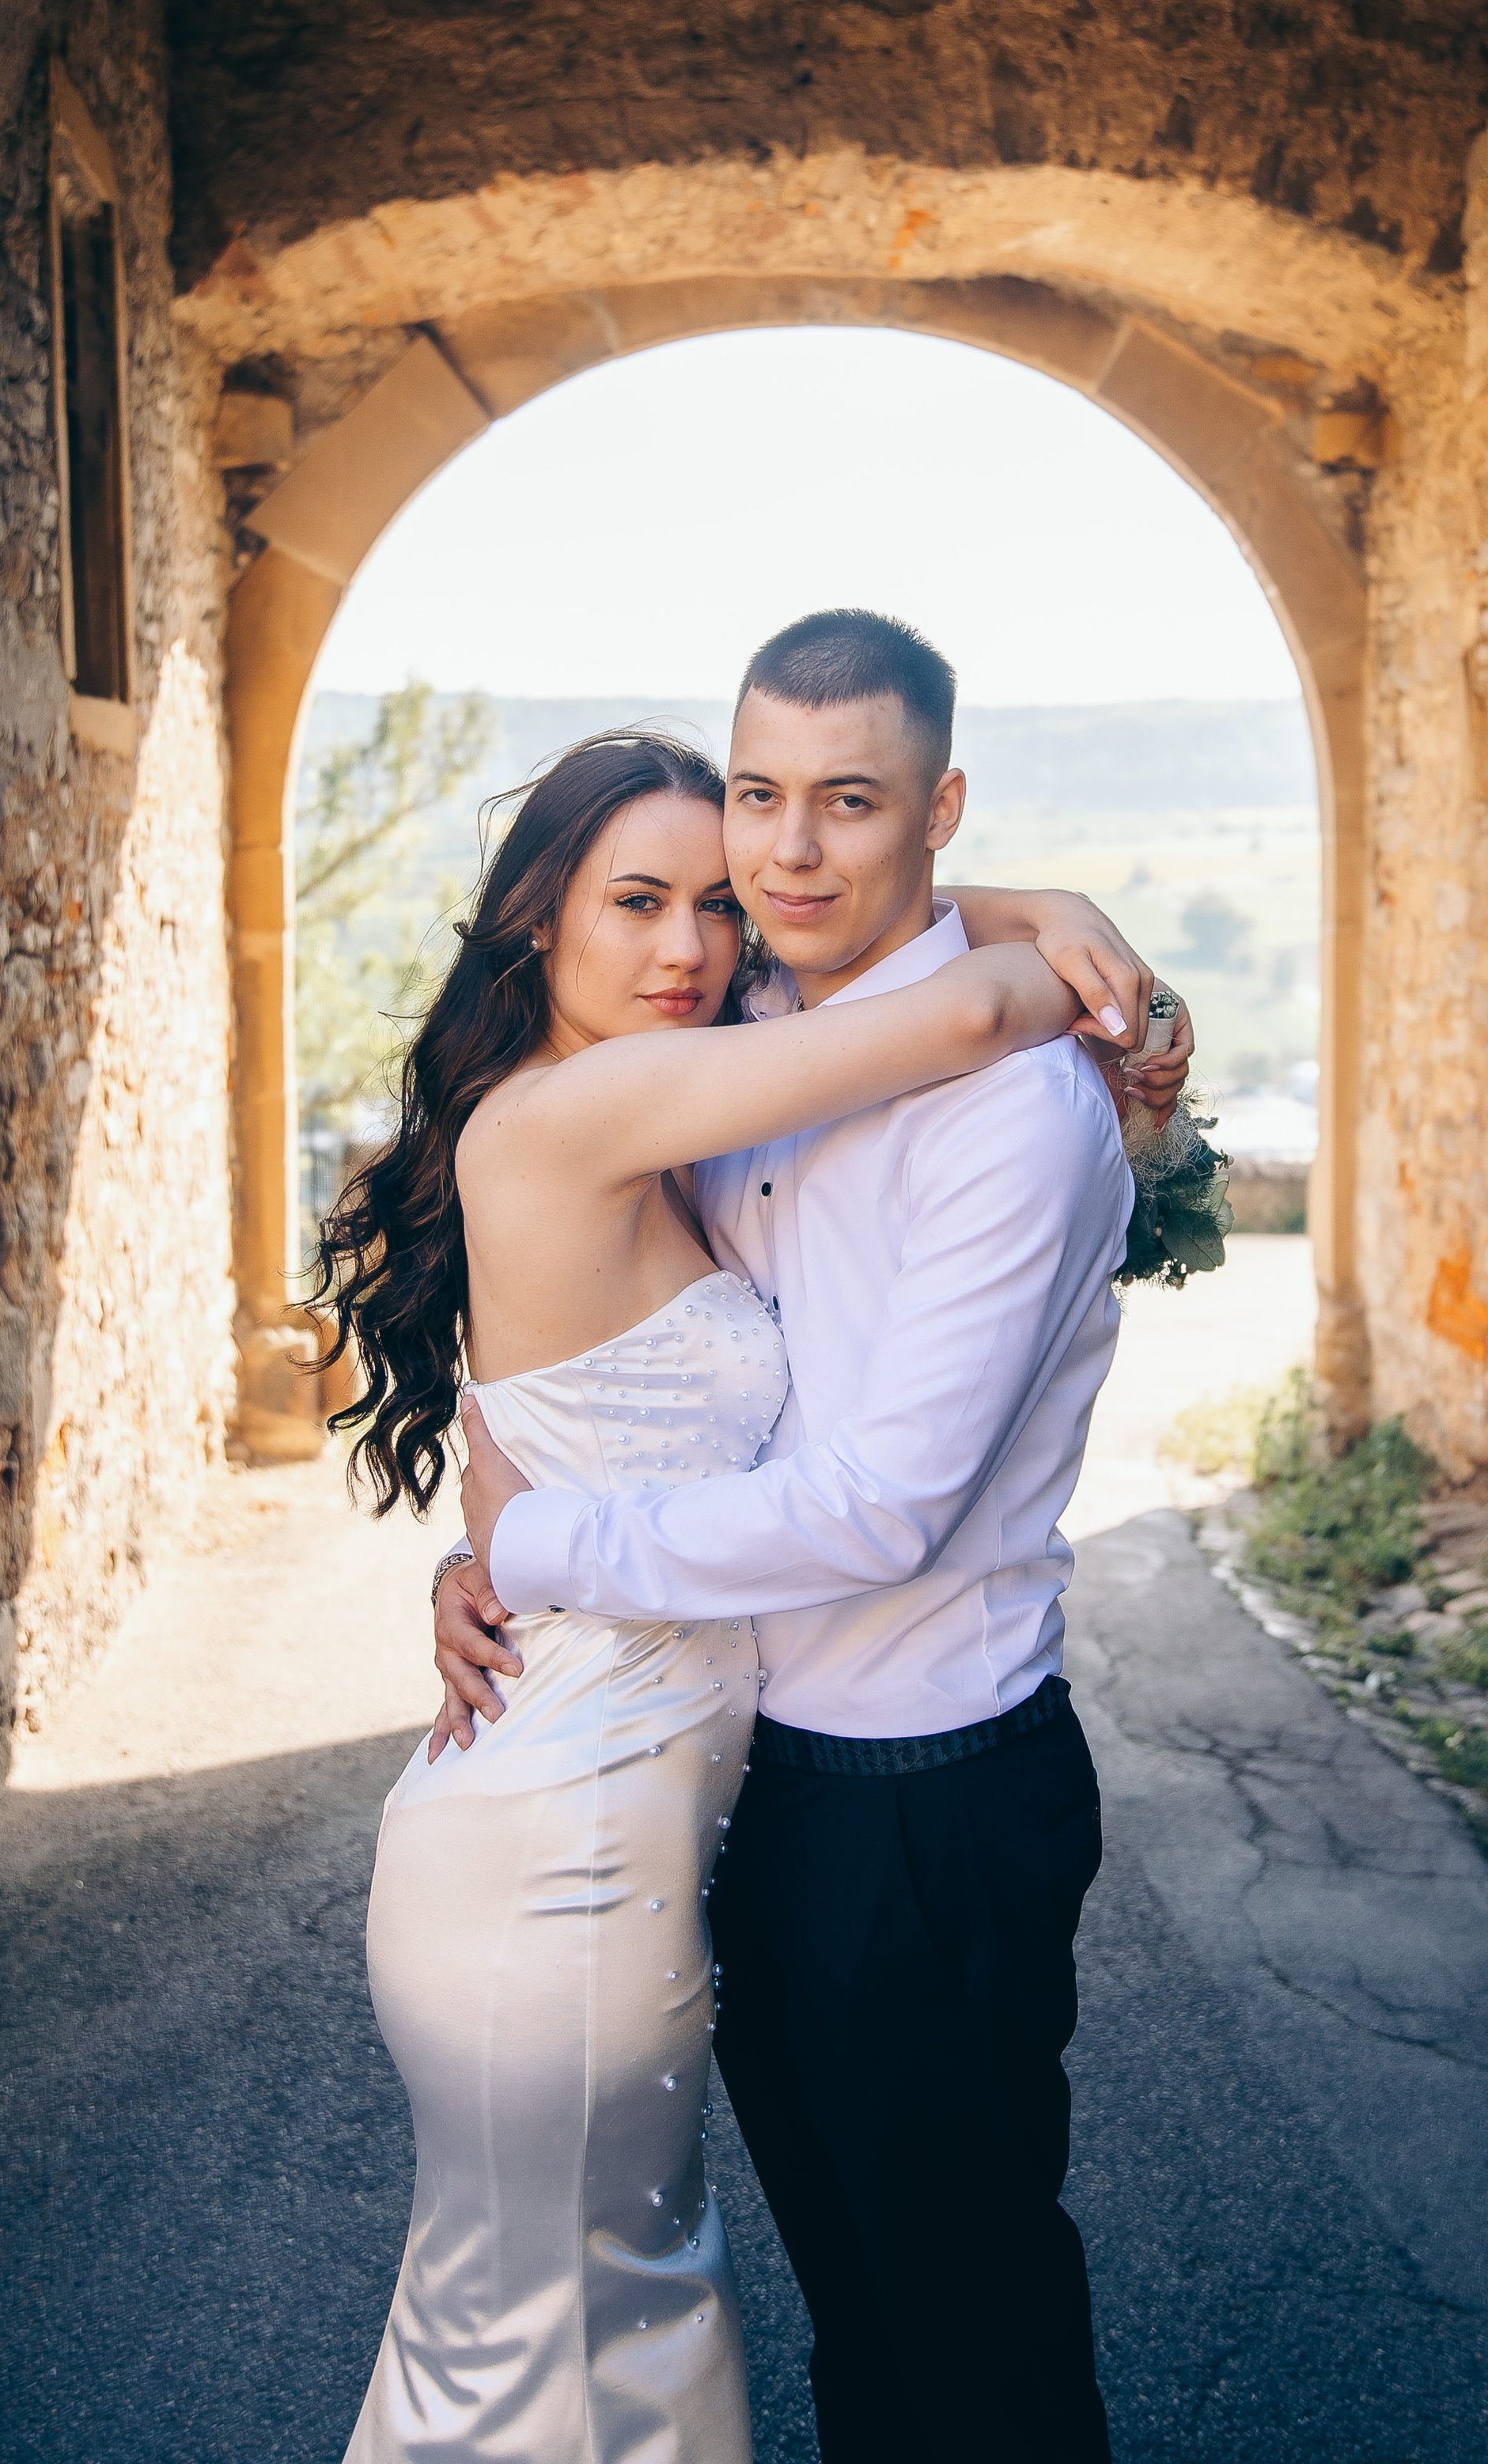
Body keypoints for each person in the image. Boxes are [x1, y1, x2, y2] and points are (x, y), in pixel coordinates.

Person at [318, 683, 1178, 2464]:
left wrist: (508, 1551)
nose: (699, 940)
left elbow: (528, 1434)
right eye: (638, 902)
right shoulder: (591, 1110)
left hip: (706, 1798)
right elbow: (954, 1002)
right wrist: (1076, 949)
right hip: (557, 1833)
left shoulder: (648, 1099)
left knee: (625, 2306)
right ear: (529, 918)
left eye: (713, 899)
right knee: (563, 2329)